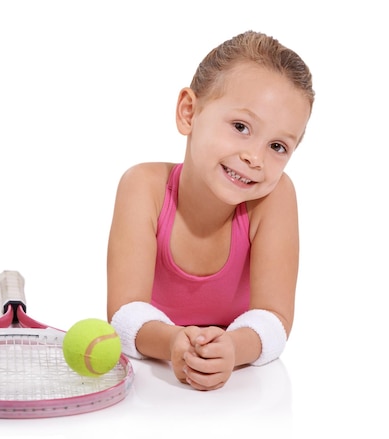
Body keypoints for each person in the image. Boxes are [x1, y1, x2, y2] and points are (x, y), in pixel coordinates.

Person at [107, 30, 315, 391]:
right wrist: (172, 342)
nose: (255, 157)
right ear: (189, 112)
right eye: (240, 127)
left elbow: (275, 320)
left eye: (278, 146)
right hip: (153, 392)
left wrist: (233, 348)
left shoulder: (274, 198)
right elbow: (125, 315)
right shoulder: (143, 187)